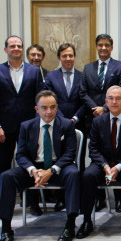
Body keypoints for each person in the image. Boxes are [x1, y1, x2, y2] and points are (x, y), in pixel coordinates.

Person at [0, 90, 81, 241]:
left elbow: (70, 154)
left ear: (57, 107)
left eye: (52, 107)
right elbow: (20, 155)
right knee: (6, 176)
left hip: (58, 168)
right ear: (37, 109)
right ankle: (6, 229)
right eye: (44, 108)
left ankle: (70, 226)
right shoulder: (26, 126)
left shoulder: (66, 125)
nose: (49, 111)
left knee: (73, 174)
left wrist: (51, 171)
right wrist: (33, 171)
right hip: (34, 168)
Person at [0, 35, 45, 220]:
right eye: (12, 46)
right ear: (6, 49)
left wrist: (38, 124)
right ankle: (1, 207)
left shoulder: (34, 72)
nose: (16, 49)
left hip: (29, 128)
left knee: (33, 164)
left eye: (19, 46)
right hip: (4, 128)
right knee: (3, 168)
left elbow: (40, 100)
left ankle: (34, 203)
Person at [77, 86, 121, 240]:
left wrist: (118, 167)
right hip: (104, 163)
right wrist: (106, 166)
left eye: (118, 98)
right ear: (106, 101)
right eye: (111, 99)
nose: (114, 102)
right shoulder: (97, 121)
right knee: (87, 175)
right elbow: (93, 149)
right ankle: (87, 220)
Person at [80, 33, 121, 212]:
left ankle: (118, 199)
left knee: (115, 155)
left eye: (107, 45)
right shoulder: (87, 68)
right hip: (93, 120)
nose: (103, 48)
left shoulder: (120, 66)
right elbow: (83, 93)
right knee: (97, 158)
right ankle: (99, 198)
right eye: (100, 45)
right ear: (96, 46)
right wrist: (97, 109)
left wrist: (106, 108)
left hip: (114, 117)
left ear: (111, 47)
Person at [44, 43, 85, 211]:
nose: (68, 59)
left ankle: (78, 197)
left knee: (79, 161)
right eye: (64, 56)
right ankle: (61, 198)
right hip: (56, 124)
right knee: (59, 159)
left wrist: (75, 118)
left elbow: (84, 100)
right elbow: (49, 100)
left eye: (71, 55)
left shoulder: (83, 76)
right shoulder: (51, 77)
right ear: (59, 57)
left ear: (74, 57)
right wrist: (61, 119)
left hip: (79, 123)